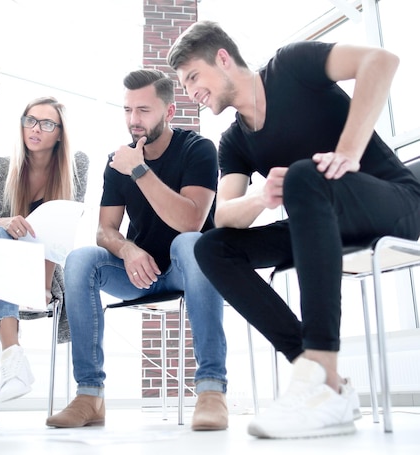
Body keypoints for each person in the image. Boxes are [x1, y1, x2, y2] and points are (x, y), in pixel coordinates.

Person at [167, 20, 420, 439]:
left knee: (305, 176)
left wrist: (347, 154)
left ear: (224, 59)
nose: (191, 91)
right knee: (211, 248)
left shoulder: (291, 66)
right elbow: (224, 214)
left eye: (194, 76)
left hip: (395, 204)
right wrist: (261, 198)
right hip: (321, 223)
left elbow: (380, 61)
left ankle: (322, 371)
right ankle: (321, 381)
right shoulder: (233, 142)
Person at [46, 69, 228, 431]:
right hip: (138, 273)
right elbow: (104, 231)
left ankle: (211, 390)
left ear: (169, 112)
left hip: (186, 268)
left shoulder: (198, 150)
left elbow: (190, 221)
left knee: (193, 243)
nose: (133, 120)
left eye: (143, 110)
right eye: (128, 110)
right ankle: (90, 394)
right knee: (81, 259)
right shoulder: (118, 161)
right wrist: (127, 249)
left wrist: (140, 170)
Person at [0, 96, 89, 430]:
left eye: (47, 123)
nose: (36, 129)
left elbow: (60, 236)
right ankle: (11, 354)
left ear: (60, 133)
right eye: (30, 120)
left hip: (38, 276)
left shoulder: (75, 168)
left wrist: (44, 285)